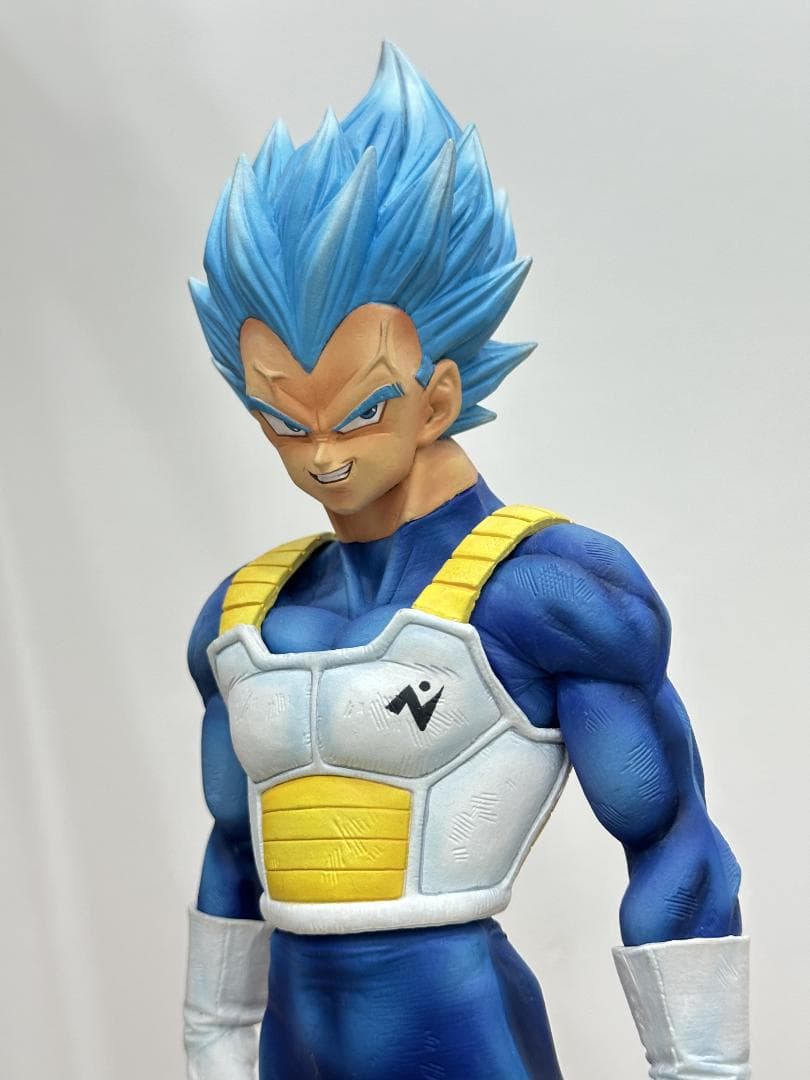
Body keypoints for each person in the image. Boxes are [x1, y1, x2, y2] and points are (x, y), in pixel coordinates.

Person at [183, 42, 749, 1080]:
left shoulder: (548, 593)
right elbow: (233, 852)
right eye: (284, 421)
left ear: (438, 394)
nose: (322, 455)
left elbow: (674, 845)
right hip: (294, 1044)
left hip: (456, 1034)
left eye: (360, 411)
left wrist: (706, 1070)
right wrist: (211, 1043)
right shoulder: (242, 617)